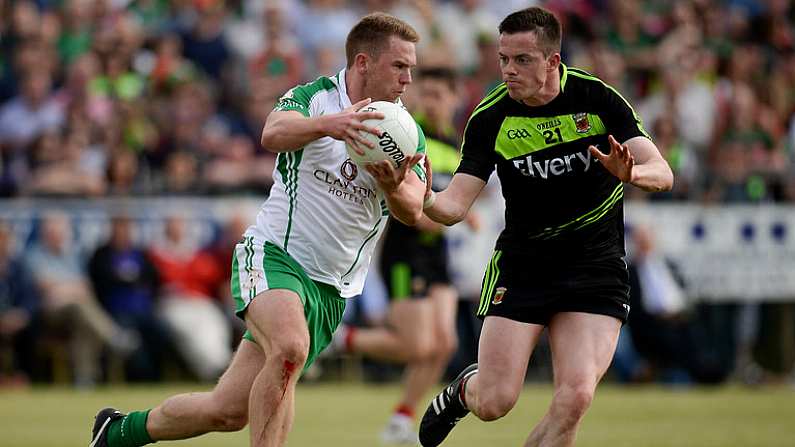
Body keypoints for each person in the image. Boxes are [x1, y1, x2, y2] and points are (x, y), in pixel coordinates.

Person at [89, 12, 427, 447]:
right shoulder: (316, 96)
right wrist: (331, 125)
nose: (408, 78)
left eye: (411, 68)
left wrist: (390, 183)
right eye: (400, 66)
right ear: (364, 62)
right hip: (274, 256)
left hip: (330, 288)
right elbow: (272, 131)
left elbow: (413, 208)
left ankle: (117, 432)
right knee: (290, 348)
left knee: (227, 411)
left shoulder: (403, 131)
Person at [417, 7, 673, 447]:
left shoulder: (597, 100)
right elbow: (454, 206)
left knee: (574, 398)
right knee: (495, 401)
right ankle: (464, 390)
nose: (509, 71)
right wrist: (416, 195)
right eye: (503, 59)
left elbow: (662, 172)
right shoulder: (491, 116)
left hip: (595, 265)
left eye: (522, 60)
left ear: (553, 61)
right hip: (525, 265)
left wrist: (631, 174)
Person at [328, 66, 462, 444]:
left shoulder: (454, 143)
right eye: (426, 94)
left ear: (454, 98)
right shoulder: (405, 134)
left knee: (445, 345)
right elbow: (409, 201)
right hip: (406, 252)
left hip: (438, 256)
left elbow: (455, 197)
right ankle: (344, 340)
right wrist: (433, 216)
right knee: (415, 346)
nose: (430, 102)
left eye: (439, 95)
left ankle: (400, 419)